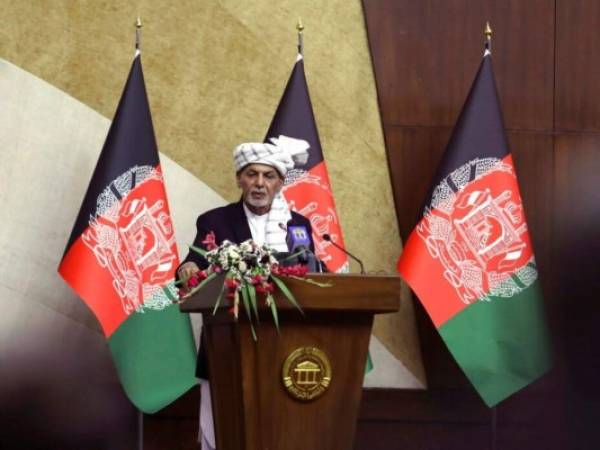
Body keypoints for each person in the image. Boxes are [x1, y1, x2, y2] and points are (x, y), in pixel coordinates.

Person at [177, 136, 318, 450]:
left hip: (286, 346)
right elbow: (194, 263)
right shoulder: (215, 220)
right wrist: (186, 269)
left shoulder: (298, 225)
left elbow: (312, 273)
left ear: (280, 183)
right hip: (228, 345)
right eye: (251, 174)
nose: (259, 183)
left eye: (268, 176)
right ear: (239, 179)